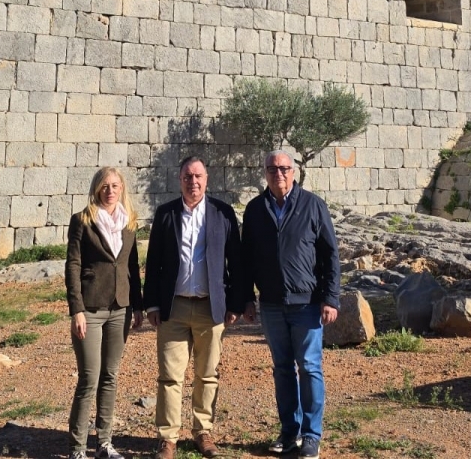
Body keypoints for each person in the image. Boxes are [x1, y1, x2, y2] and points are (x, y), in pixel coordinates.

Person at [143, 156, 246, 459]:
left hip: (210, 308)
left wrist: (237, 302)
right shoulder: (165, 215)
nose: (193, 182)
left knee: (207, 374)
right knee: (170, 376)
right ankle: (167, 438)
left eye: (198, 176)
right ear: (180, 179)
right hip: (173, 308)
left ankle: (203, 432)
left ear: (207, 178)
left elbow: (236, 262)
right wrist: (151, 303)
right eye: (188, 176)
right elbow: (154, 263)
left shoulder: (223, 214)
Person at [242, 150, 341, 459]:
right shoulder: (255, 209)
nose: (279, 174)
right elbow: (246, 259)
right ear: (265, 173)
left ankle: (312, 435)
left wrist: (331, 298)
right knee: (282, 369)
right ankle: (290, 432)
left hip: (308, 303)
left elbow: (330, 255)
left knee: (309, 368)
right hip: (271, 304)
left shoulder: (313, 205)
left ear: (294, 172)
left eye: (284, 168)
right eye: (272, 169)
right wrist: (247, 298)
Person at [65, 167, 144, 459]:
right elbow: (72, 265)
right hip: (90, 309)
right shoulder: (82, 221)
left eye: (115, 185)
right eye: (104, 186)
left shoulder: (130, 223)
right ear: (96, 189)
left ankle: (105, 443)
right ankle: (77, 448)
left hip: (120, 309)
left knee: (110, 376)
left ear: (121, 189)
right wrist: (76, 310)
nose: (110, 191)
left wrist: (137, 305)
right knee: (89, 377)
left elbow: (132, 267)